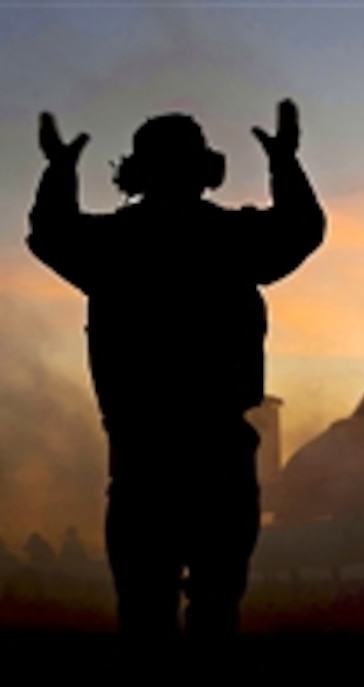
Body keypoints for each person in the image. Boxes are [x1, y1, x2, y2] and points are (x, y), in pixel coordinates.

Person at [26, 99, 326, 640]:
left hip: (144, 459)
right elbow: (301, 228)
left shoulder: (113, 245)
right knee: (214, 609)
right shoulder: (232, 240)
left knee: (146, 612)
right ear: (205, 171)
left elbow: (51, 232)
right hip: (214, 455)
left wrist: (60, 170)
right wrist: (285, 163)